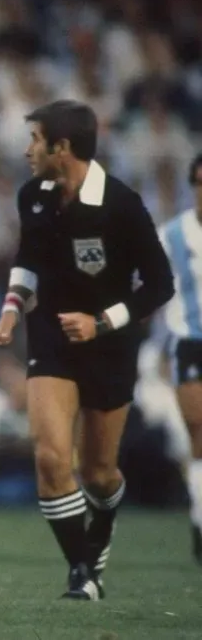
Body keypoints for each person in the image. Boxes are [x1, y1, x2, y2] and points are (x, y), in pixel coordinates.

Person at [0, 100, 174, 601]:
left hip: (110, 346)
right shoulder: (33, 196)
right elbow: (28, 258)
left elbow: (160, 284)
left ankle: (101, 528)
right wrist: (12, 307)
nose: (27, 150)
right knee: (51, 457)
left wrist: (101, 323)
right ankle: (81, 570)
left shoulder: (121, 205)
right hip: (51, 337)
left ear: (62, 147)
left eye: (35, 139)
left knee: (98, 472)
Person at [158, 152, 202, 565]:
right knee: (198, 430)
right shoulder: (171, 235)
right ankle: (199, 519)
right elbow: (151, 290)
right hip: (190, 341)